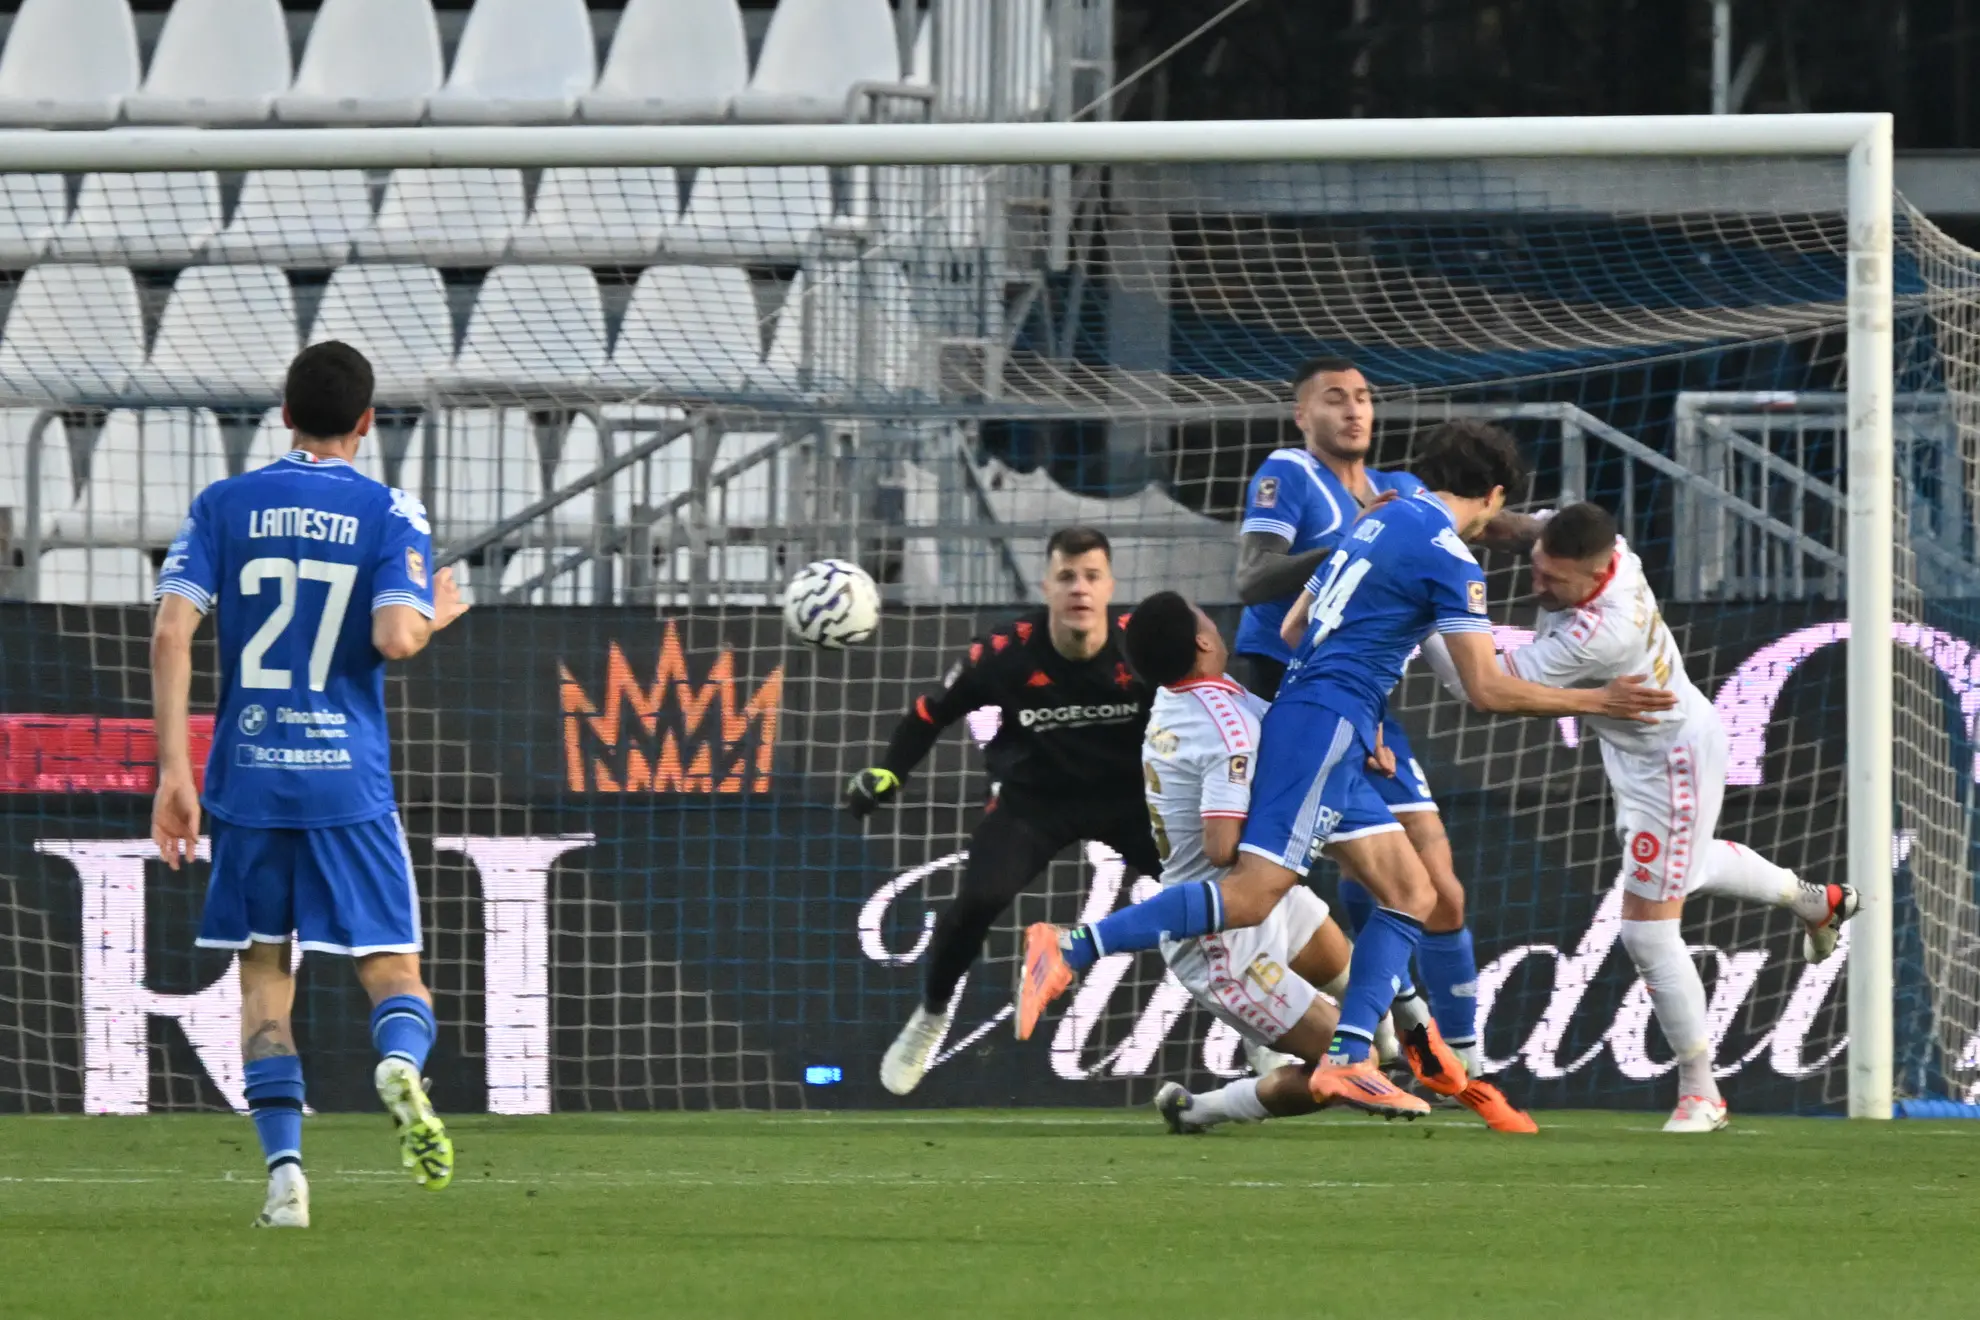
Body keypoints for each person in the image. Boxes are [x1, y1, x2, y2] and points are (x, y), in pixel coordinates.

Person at [1018, 420, 1675, 1119]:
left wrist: (1359, 715)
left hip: (1332, 718)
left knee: (1411, 891)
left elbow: (1296, 628)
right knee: (1252, 895)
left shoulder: (1375, 520)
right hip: (1324, 722)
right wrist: (1597, 699)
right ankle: (1072, 945)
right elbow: (1486, 690)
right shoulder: (1449, 557)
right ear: (1493, 493)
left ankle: (1349, 1055)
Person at [150, 341, 468, 1228]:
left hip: (246, 779)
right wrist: (436, 615)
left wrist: (175, 770)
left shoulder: (223, 505)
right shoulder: (390, 509)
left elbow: (172, 634)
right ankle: (398, 1062)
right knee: (390, 967)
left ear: (282, 413)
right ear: (367, 422)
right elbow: (399, 639)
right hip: (347, 786)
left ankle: (286, 1176)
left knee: (263, 984)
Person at [1428, 502, 1859, 1132]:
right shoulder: (1602, 547)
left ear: (1598, 571)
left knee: (1647, 931)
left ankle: (1701, 1090)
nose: (1537, 585)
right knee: (1685, 867)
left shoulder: (1606, 630)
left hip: (1670, 765)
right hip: (1639, 748)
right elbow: (1513, 528)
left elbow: (1481, 686)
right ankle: (1815, 901)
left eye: (1554, 580)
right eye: (1540, 568)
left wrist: (1421, 613)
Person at [1120, 591, 1534, 1134]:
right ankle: (1202, 1110)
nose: (1216, 626)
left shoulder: (1201, 700)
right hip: (1224, 935)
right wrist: (1297, 831)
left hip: (1275, 900)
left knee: (1376, 1025)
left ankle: (1416, 1033)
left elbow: (1286, 740)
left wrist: (1350, 748)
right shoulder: (1224, 726)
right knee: (1344, 1065)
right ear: (1202, 641)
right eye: (1206, 619)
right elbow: (1222, 846)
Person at [1233, 357, 1485, 1074]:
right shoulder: (1289, 474)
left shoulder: (1400, 493)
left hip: (1365, 705)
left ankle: (1450, 1056)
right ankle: (1422, 1051)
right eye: (1334, 399)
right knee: (1278, 883)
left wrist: (1564, 534)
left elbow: (1479, 517)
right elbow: (1251, 578)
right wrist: (1347, 541)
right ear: (1301, 416)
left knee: (1431, 887)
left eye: (1365, 397)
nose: (1353, 410)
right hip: (1289, 688)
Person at [846, 527, 1157, 1096]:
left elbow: (1209, 697)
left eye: (1091, 577)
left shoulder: (1145, 646)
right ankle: (932, 1015)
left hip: (1129, 801)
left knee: (1212, 893)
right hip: (1033, 803)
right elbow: (926, 713)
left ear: (1111, 586)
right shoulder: (1003, 653)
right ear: (1046, 586)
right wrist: (890, 771)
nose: (1079, 589)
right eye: (1067, 577)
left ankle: (1257, 1021)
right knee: (980, 898)